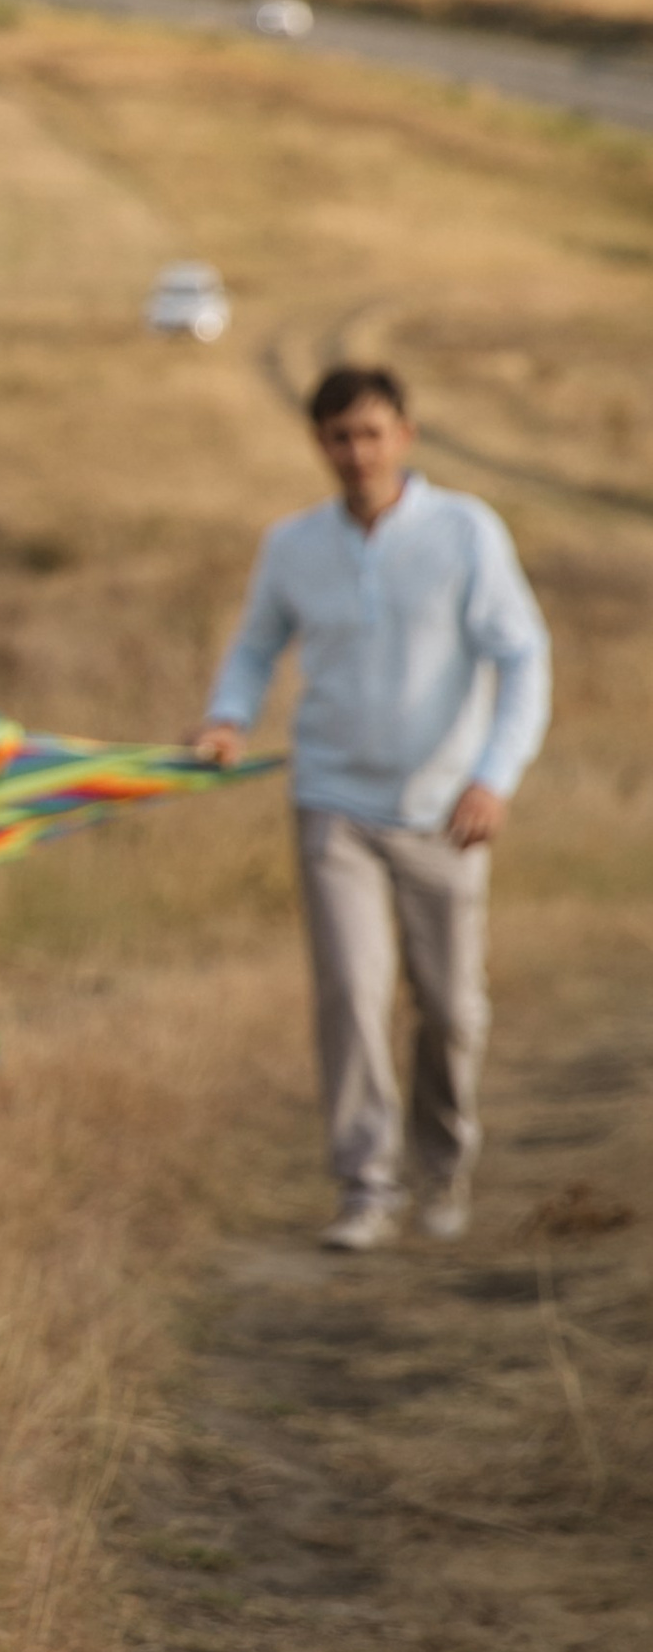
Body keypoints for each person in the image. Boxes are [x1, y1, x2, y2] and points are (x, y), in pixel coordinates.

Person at [194, 365, 550, 1253]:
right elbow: (254, 647)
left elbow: (524, 660)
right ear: (319, 444)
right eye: (339, 437)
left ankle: (443, 1168)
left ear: (407, 436)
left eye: (372, 433)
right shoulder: (293, 546)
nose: (357, 452)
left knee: (451, 1008)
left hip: (443, 810)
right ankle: (366, 1188)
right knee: (351, 993)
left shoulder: (465, 533)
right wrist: (228, 718)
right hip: (332, 802)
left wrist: (493, 777)